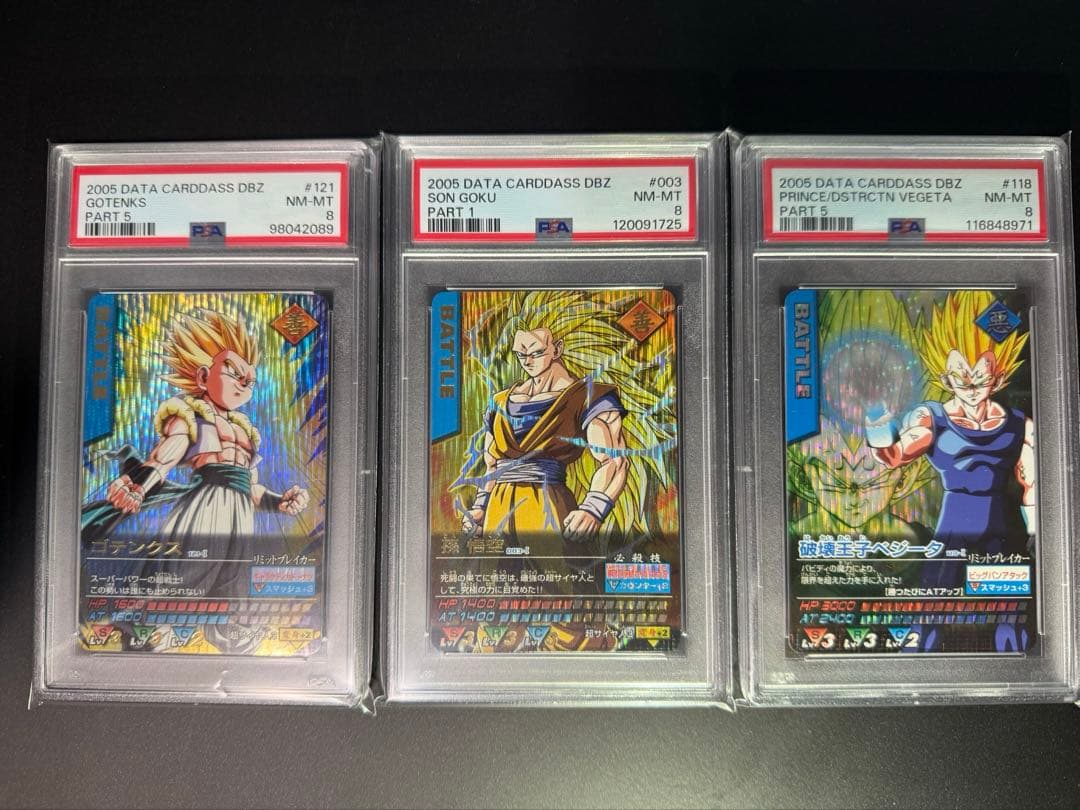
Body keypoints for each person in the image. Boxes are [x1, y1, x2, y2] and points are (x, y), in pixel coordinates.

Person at [81, 309, 309, 596]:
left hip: (241, 516)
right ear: (203, 377)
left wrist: (279, 502)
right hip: (208, 505)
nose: (244, 384)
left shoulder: (245, 431)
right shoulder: (191, 415)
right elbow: (163, 458)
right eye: (235, 373)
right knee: (180, 580)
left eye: (249, 380)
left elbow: (251, 488)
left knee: (230, 591)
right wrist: (139, 487)